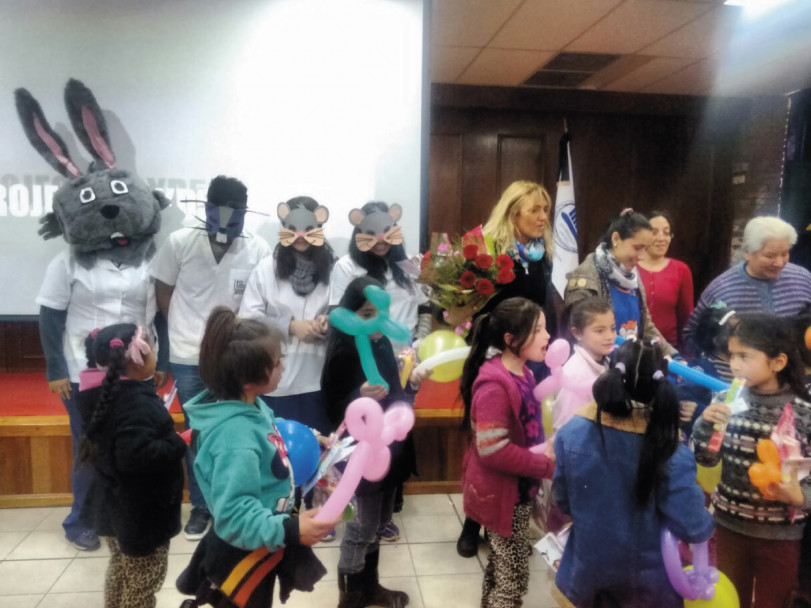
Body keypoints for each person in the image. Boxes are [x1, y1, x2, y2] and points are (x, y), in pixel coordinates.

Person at [176, 307, 336, 608]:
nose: (283, 368)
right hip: (243, 553)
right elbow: (235, 515)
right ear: (249, 380)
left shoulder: (250, 405)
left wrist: (312, 438)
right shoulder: (233, 439)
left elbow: (270, 432)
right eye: (277, 363)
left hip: (263, 538)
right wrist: (290, 528)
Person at [149, 176, 271, 539]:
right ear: (206, 210)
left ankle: (234, 503)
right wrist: (182, 333)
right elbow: (163, 292)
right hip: (188, 356)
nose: (227, 226)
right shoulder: (180, 242)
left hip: (234, 356)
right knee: (198, 432)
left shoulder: (257, 249)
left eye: (236, 217)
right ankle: (202, 506)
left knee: (237, 430)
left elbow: (257, 302)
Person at [553, 339, 714, 608]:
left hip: (585, 574)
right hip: (645, 588)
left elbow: (564, 501)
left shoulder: (572, 433)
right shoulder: (670, 450)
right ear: (662, 384)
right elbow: (693, 526)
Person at [456, 180, 561, 558]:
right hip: (489, 360)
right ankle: (472, 523)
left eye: (545, 210)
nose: (542, 217)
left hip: (524, 360)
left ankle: (509, 519)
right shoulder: (485, 251)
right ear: (513, 210)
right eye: (535, 209)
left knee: (516, 438)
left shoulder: (540, 253)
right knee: (486, 442)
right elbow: (460, 308)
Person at [320, 276, 431, 608]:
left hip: (390, 449)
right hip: (362, 454)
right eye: (367, 314)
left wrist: (411, 384)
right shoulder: (344, 348)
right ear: (349, 314)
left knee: (380, 521)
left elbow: (395, 395)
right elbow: (331, 406)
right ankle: (350, 597)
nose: (377, 321)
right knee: (361, 527)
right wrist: (359, 396)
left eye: (382, 313)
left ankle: (370, 587)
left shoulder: (381, 341)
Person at [693, 313, 811, 608]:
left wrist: (802, 496)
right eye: (733, 355)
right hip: (729, 524)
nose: (735, 365)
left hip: (781, 532)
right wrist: (705, 424)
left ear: (778, 362)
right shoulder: (725, 399)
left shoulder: (803, 412)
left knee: (775, 601)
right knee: (732, 598)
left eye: (745, 356)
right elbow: (705, 458)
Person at [328, 201, 430, 542]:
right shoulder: (346, 267)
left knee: (399, 438)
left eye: (386, 231)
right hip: (363, 374)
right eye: (370, 232)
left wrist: (419, 348)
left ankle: (388, 507)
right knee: (366, 453)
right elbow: (338, 314)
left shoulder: (408, 265)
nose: (380, 239)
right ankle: (362, 516)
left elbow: (425, 307)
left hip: (403, 362)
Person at [77, 324, 186, 608]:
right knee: (142, 584)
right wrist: (178, 442)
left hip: (115, 509)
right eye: (153, 348)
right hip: (140, 516)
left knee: (122, 571)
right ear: (139, 360)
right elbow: (134, 456)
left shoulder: (105, 394)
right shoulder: (135, 402)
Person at [460, 297, 556, 608]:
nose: (547, 337)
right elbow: (493, 450)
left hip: (518, 491)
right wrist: (544, 465)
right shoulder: (495, 386)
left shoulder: (525, 373)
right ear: (510, 340)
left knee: (501, 567)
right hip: (502, 495)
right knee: (513, 579)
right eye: (538, 330)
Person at [239, 196, 335, 435]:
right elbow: (247, 320)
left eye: (309, 228)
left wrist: (328, 323)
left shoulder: (335, 269)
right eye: (292, 228)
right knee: (279, 456)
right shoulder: (265, 269)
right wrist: (291, 326)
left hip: (319, 381)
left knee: (319, 454)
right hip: (276, 384)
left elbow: (347, 311)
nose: (300, 235)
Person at [684, 216, 811, 354]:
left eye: (785, 254)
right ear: (747, 253)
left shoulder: (804, 279)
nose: (779, 263)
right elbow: (691, 337)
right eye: (770, 256)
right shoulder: (721, 290)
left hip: (797, 372)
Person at [564, 209, 676, 356]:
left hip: (628, 367)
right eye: (637, 248)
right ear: (616, 239)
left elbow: (645, 326)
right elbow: (582, 334)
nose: (642, 256)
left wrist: (673, 355)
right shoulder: (586, 277)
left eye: (645, 249)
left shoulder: (632, 275)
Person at [552, 297, 615, 432]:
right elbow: (565, 429)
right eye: (600, 331)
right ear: (577, 333)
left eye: (613, 329)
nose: (610, 336)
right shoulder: (573, 375)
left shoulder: (608, 362)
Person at [637, 210, 694, 351]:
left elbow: (686, 316)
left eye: (666, 233)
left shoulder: (681, 270)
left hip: (668, 351)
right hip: (634, 349)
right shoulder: (630, 267)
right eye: (654, 232)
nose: (661, 238)